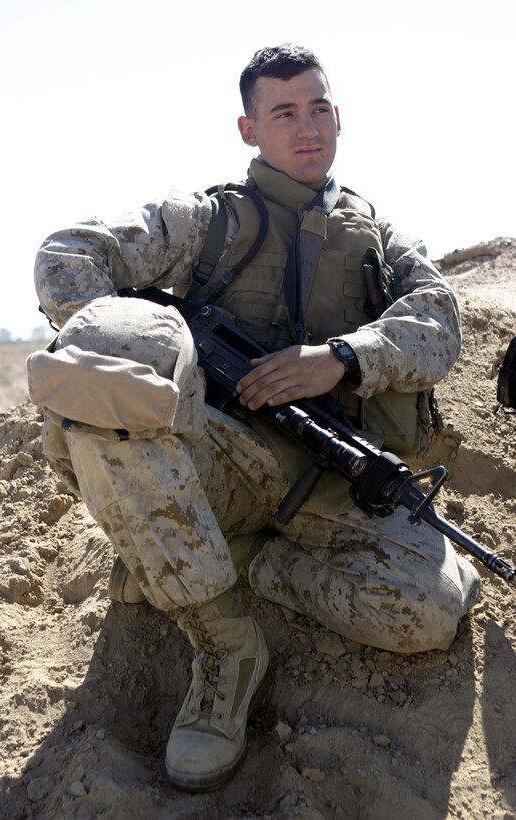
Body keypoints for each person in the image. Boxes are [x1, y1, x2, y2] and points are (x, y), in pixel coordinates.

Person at [28, 44, 481, 792]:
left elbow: (437, 323)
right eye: (283, 114)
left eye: (317, 109)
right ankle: (223, 641)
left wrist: (341, 356)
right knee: (112, 361)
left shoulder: (382, 240)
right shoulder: (204, 222)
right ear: (249, 131)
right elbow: (68, 255)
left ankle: (221, 561)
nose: (306, 129)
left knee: (426, 612)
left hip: (328, 476)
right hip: (212, 455)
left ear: (337, 116)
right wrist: (176, 363)